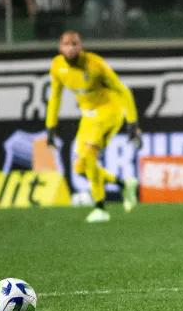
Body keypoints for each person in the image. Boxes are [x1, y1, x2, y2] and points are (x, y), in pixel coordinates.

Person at [46, 31, 142, 223]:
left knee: (89, 155)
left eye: (75, 44)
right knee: (80, 167)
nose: (71, 48)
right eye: (67, 44)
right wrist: (51, 127)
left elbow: (123, 90)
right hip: (88, 117)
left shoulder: (95, 64)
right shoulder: (57, 66)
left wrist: (132, 122)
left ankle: (100, 208)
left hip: (109, 111)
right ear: (60, 48)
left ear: (81, 46)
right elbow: (55, 97)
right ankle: (124, 184)